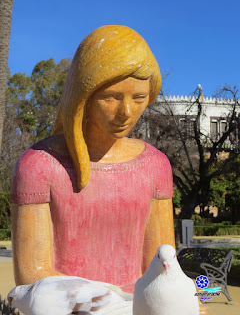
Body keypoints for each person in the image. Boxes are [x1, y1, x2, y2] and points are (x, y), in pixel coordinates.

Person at [10, 25, 175, 293]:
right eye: (111, 97)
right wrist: (109, 305)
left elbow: (162, 268)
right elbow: (33, 275)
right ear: (83, 95)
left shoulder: (155, 165)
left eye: (139, 98)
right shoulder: (39, 166)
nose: (126, 111)